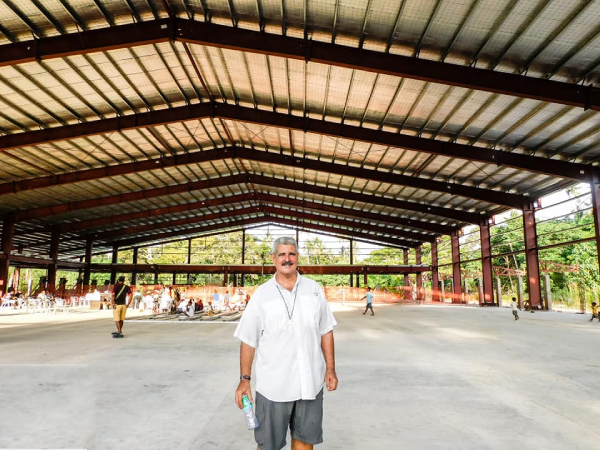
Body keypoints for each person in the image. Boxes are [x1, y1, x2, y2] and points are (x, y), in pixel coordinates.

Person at [234, 236, 338, 450]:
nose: (287, 258)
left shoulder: (314, 290)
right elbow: (248, 340)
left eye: (291, 254)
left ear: (298, 257)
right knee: (268, 445)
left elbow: (326, 331)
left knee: (304, 442)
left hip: (309, 384)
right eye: (282, 254)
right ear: (273, 258)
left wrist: (330, 368)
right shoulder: (262, 295)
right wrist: (245, 379)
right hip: (274, 388)